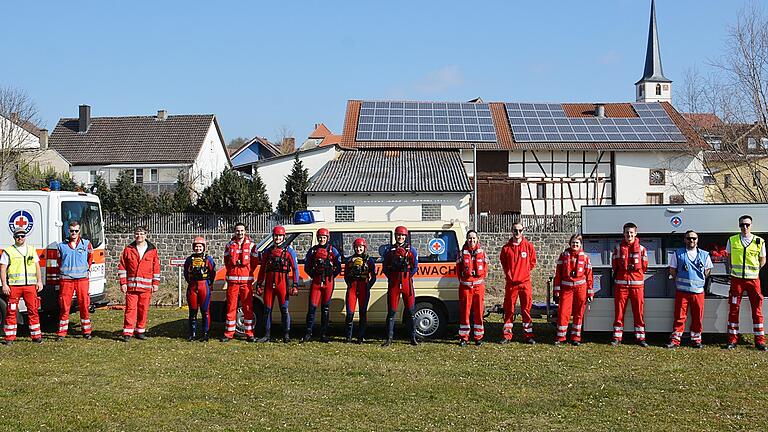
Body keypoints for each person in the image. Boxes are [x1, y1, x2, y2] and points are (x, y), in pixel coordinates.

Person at [724, 215, 767, 351]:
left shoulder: (759, 241)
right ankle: (732, 340)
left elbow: (763, 259)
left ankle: (760, 341)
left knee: (757, 310)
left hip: (754, 281)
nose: (745, 227)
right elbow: (728, 258)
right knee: (733, 309)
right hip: (736, 280)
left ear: (751, 225)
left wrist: (756, 270)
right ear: (739, 225)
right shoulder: (732, 240)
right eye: (742, 225)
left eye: (747, 224)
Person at [666, 230, 712, 349]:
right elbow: (672, 270)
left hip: (698, 292)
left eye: (694, 238)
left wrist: (699, 280)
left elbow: (707, 271)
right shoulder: (678, 253)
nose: (691, 240)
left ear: (697, 240)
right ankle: (675, 340)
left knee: (698, 317)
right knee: (679, 317)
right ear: (684, 239)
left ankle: (696, 340)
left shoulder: (704, 254)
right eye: (689, 238)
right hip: (682, 291)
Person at [256, 225, 299, 343]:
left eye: (280, 236)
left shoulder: (289, 251)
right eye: (276, 236)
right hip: (270, 284)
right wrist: (259, 283)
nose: (278, 238)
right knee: (267, 310)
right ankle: (267, 334)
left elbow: (295, 269)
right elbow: (262, 269)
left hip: (282, 283)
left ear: (284, 237)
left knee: (284, 309)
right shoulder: (267, 252)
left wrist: (295, 284)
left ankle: (286, 335)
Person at [1, 228, 43, 345]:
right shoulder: (8, 251)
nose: (20, 238)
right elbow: (3, 268)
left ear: (25, 236)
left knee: (33, 310)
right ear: (14, 237)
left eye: (22, 235)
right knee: (11, 311)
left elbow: (37, 267)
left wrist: (39, 281)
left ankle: (36, 336)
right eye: (18, 236)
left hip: (30, 286)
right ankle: (9, 338)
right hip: (14, 287)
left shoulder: (31, 249)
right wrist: (4, 284)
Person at [118, 226, 160, 342]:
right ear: (134, 235)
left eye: (141, 234)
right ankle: (128, 332)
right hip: (131, 287)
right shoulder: (128, 249)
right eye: (137, 233)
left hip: (146, 287)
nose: (139, 236)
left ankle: (140, 331)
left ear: (146, 235)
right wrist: (123, 283)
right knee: (130, 309)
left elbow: (156, 267)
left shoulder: (152, 250)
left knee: (143, 309)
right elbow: (122, 267)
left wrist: (155, 283)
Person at [611, 222, 649, 347]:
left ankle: (640, 338)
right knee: (619, 312)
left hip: (637, 286)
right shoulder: (617, 248)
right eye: (627, 232)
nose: (629, 234)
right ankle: (617, 337)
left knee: (638, 312)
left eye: (631, 232)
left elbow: (644, 267)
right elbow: (615, 265)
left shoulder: (642, 249)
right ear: (623, 234)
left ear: (635, 233)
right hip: (621, 285)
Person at [499, 222, 537, 344]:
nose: (518, 233)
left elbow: (532, 262)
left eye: (520, 230)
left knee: (526, 309)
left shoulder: (529, 246)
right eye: (515, 230)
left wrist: (524, 272)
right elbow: (504, 263)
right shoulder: (506, 248)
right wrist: (510, 274)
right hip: (511, 284)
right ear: (512, 231)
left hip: (525, 283)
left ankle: (528, 335)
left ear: (523, 231)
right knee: (509, 309)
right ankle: (507, 335)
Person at [56, 221, 94, 341]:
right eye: (71, 230)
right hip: (66, 280)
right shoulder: (61, 245)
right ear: (68, 231)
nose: (74, 233)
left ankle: (86, 331)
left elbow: (90, 259)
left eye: (76, 231)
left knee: (84, 305)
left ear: (79, 231)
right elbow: (59, 261)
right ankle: (62, 333)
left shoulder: (86, 244)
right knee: (64, 306)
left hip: (82, 279)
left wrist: (86, 269)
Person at [553, 234, 594, 346]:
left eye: (577, 243)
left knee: (579, 313)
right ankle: (561, 337)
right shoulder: (563, 256)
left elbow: (589, 275)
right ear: (569, 243)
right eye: (573, 243)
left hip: (581, 288)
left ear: (580, 245)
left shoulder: (585, 258)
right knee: (563, 313)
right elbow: (558, 274)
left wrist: (590, 291)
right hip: (566, 288)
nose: (575, 245)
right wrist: (556, 289)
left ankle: (576, 337)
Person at [302, 228, 342, 343]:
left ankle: (323, 334)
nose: (321, 239)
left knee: (325, 308)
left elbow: (338, 267)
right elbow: (307, 267)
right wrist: (314, 275)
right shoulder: (313, 251)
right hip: (316, 282)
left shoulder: (333, 251)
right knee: (312, 308)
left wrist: (331, 275)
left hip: (328, 282)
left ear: (327, 238)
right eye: (320, 237)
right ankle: (308, 333)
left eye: (324, 237)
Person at [382, 226, 419, 347]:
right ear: (395, 236)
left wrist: (408, 276)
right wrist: (393, 277)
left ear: (406, 236)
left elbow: (415, 267)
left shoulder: (411, 250)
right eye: (398, 235)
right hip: (394, 284)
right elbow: (385, 267)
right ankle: (389, 338)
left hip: (407, 283)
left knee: (410, 311)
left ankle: (413, 338)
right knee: (392, 311)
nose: (400, 237)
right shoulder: (389, 250)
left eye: (402, 235)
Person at [221, 223, 255, 342]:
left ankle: (249, 333)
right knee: (231, 307)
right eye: (237, 231)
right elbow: (226, 261)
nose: (239, 233)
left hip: (246, 282)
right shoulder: (229, 245)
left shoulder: (251, 245)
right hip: (233, 281)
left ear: (245, 231)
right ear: (234, 232)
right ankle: (229, 333)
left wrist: (247, 272)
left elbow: (254, 262)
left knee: (248, 307)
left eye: (242, 230)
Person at [456, 230, 488, 346]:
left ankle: (478, 337)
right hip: (465, 288)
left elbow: (485, 269)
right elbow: (458, 271)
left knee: (479, 312)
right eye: (470, 238)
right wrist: (464, 282)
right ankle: (464, 337)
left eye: (474, 238)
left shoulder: (482, 253)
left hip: (479, 288)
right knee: (465, 312)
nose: (472, 240)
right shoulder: (461, 253)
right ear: (466, 239)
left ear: (477, 239)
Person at [344, 237, 377, 344]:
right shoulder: (349, 260)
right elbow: (345, 275)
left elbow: (374, 276)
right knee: (350, 313)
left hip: (363, 288)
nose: (359, 249)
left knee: (363, 313)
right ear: (354, 248)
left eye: (361, 247)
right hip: (352, 289)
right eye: (357, 247)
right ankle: (348, 337)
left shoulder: (369, 260)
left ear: (364, 248)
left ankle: (360, 337)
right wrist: (349, 284)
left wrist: (368, 286)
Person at [183, 236, 216, 342]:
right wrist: (191, 283)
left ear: (204, 247)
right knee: (192, 311)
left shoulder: (208, 259)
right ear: (193, 248)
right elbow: (186, 274)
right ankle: (192, 334)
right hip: (192, 287)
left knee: (205, 311)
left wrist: (209, 283)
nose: (198, 248)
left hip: (204, 286)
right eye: (196, 246)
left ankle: (205, 334)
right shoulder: (189, 260)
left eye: (200, 246)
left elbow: (212, 272)